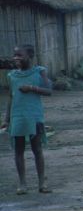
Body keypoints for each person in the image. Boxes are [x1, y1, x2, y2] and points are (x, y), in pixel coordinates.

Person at [1, 45, 53, 194]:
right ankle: (22, 183)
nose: (16, 58)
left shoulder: (39, 72)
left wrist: (31, 88)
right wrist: (6, 119)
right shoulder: (12, 76)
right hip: (17, 117)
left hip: (34, 116)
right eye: (14, 55)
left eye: (20, 55)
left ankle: (42, 183)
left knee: (37, 149)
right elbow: (11, 97)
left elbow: (49, 90)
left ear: (30, 56)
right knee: (18, 151)